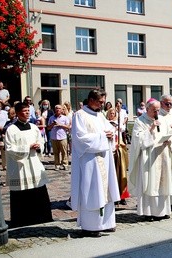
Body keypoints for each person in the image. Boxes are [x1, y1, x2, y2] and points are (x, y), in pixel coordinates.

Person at [70, 89, 120, 237]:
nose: (102, 105)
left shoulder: (100, 115)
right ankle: (91, 226)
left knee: (106, 191)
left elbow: (109, 129)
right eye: (100, 102)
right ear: (91, 99)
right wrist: (103, 137)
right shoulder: (80, 115)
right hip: (89, 161)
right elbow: (80, 138)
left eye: (103, 102)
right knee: (92, 191)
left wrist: (111, 134)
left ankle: (107, 223)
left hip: (104, 159)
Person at [4, 102, 53, 228]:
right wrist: (27, 147)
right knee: (22, 193)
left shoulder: (34, 127)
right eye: (24, 111)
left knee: (38, 190)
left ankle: (42, 217)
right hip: (20, 167)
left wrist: (38, 146)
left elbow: (41, 141)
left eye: (28, 110)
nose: (27, 113)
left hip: (34, 163)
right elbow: (9, 148)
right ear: (18, 112)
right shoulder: (11, 129)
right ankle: (22, 220)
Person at [128, 98, 172, 221]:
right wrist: (151, 129)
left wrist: (169, 140)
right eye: (154, 110)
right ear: (147, 109)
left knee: (163, 183)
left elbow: (169, 133)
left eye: (158, 110)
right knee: (150, 183)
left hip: (162, 154)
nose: (157, 113)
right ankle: (150, 212)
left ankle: (163, 211)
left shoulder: (162, 120)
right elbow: (138, 141)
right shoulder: (140, 121)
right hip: (149, 157)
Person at [106, 107, 130, 206]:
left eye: (113, 113)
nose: (112, 114)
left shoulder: (119, 123)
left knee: (121, 174)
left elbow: (122, 129)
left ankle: (122, 195)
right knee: (112, 174)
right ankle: (113, 196)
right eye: (110, 113)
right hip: (111, 150)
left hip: (119, 150)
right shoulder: (105, 123)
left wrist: (118, 127)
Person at [47, 104, 70, 170]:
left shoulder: (65, 118)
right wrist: (52, 124)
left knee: (64, 152)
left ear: (62, 110)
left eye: (59, 108)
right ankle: (57, 165)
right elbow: (48, 128)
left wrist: (60, 125)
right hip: (54, 137)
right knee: (56, 152)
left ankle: (65, 164)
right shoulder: (51, 118)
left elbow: (68, 127)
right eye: (56, 108)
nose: (57, 110)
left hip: (62, 137)